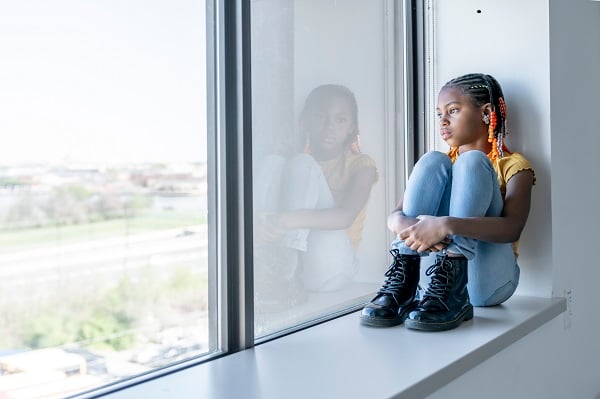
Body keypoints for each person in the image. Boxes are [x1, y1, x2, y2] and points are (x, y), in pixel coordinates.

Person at [360, 73, 535, 331]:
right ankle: (403, 282)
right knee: (431, 159)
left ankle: (454, 289)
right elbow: (395, 215)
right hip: (431, 284)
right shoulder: (440, 167)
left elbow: (513, 228)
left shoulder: (514, 165)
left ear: (486, 112)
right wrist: (401, 221)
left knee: (473, 161)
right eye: (439, 113)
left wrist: (446, 225)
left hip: (488, 282)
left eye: (453, 111)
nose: (443, 120)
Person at [254, 84, 378, 311]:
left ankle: (284, 271)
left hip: (332, 269)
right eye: (321, 117)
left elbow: (345, 217)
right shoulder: (291, 167)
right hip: (295, 273)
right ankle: (265, 264)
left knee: (303, 163)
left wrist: (283, 220)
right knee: (273, 163)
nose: (329, 127)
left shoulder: (361, 165)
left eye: (340, 120)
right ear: (305, 122)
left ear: (351, 128)